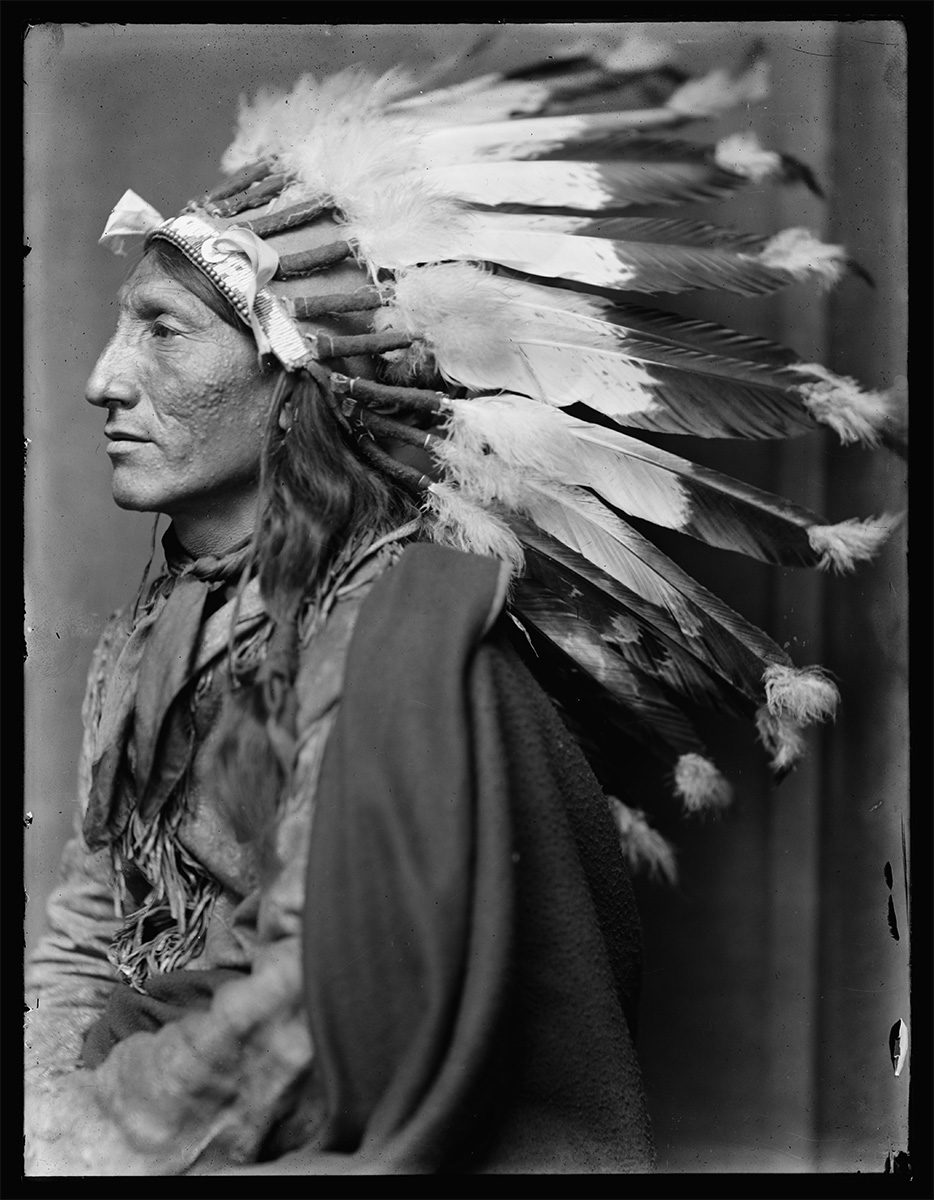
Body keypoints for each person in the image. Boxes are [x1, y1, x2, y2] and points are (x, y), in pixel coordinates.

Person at [25, 40, 903, 1176]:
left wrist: (82, 1135)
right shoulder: (150, 632)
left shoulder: (399, 644)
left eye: (161, 329)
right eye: (119, 325)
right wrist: (47, 1088)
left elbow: (327, 1001)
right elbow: (91, 921)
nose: (102, 378)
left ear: (293, 383)